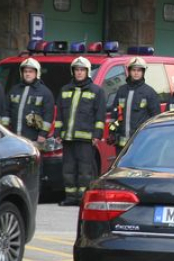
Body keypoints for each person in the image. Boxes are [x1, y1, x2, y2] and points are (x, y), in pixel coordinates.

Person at [54, 56, 106, 206]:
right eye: (77, 69)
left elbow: (100, 116)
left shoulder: (97, 91)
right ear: (73, 71)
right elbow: (60, 115)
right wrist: (57, 133)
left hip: (86, 139)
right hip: (68, 138)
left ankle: (83, 198)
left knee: (85, 170)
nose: (79, 72)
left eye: (82, 70)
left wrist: (97, 135)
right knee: (68, 169)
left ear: (87, 72)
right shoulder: (65, 90)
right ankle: (70, 197)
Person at [109, 57, 161, 152]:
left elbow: (155, 118)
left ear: (143, 72)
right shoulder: (121, 90)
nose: (136, 73)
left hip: (141, 144)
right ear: (129, 71)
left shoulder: (149, 92)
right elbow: (115, 114)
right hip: (121, 146)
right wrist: (112, 132)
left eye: (139, 70)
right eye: (134, 70)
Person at [2, 57, 55, 142]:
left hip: (33, 138)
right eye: (25, 71)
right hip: (13, 135)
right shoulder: (14, 90)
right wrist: (4, 129)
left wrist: (42, 134)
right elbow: (6, 110)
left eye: (30, 71)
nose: (27, 74)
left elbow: (48, 116)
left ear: (37, 73)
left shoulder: (45, 92)